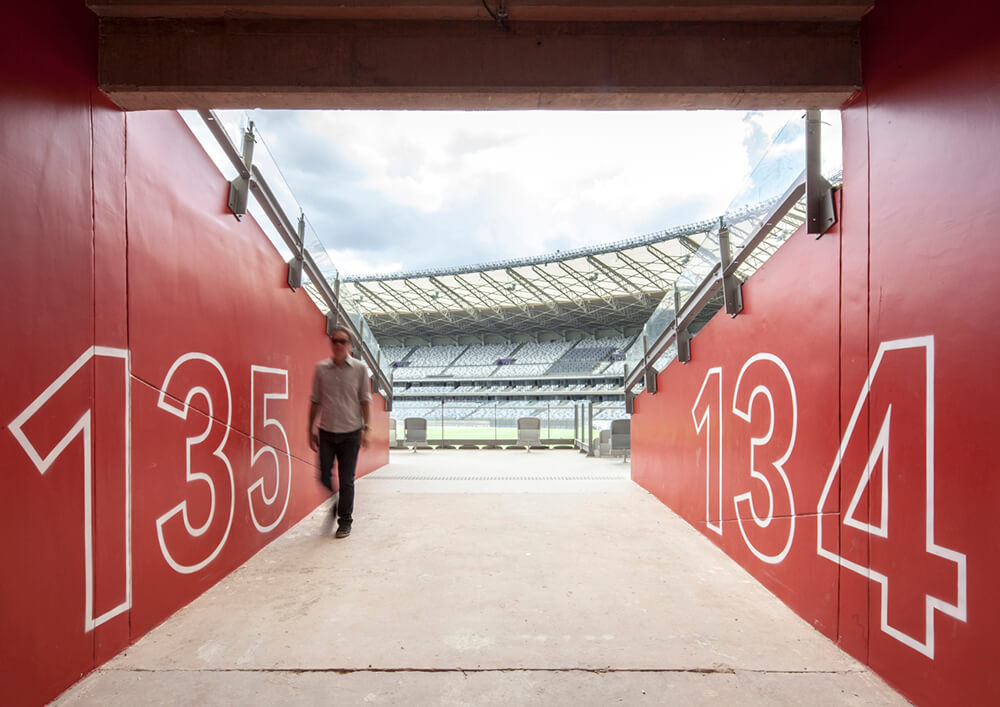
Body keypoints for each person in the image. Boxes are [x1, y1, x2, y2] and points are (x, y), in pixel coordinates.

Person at [308, 325, 372, 538]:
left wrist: (367, 428)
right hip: (326, 431)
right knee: (323, 476)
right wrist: (310, 428)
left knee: (346, 480)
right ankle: (337, 502)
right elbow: (315, 401)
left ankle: (345, 521)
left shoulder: (360, 369)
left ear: (350, 345)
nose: (337, 345)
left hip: (351, 433)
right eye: (334, 340)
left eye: (342, 341)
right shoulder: (321, 369)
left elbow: (365, 401)